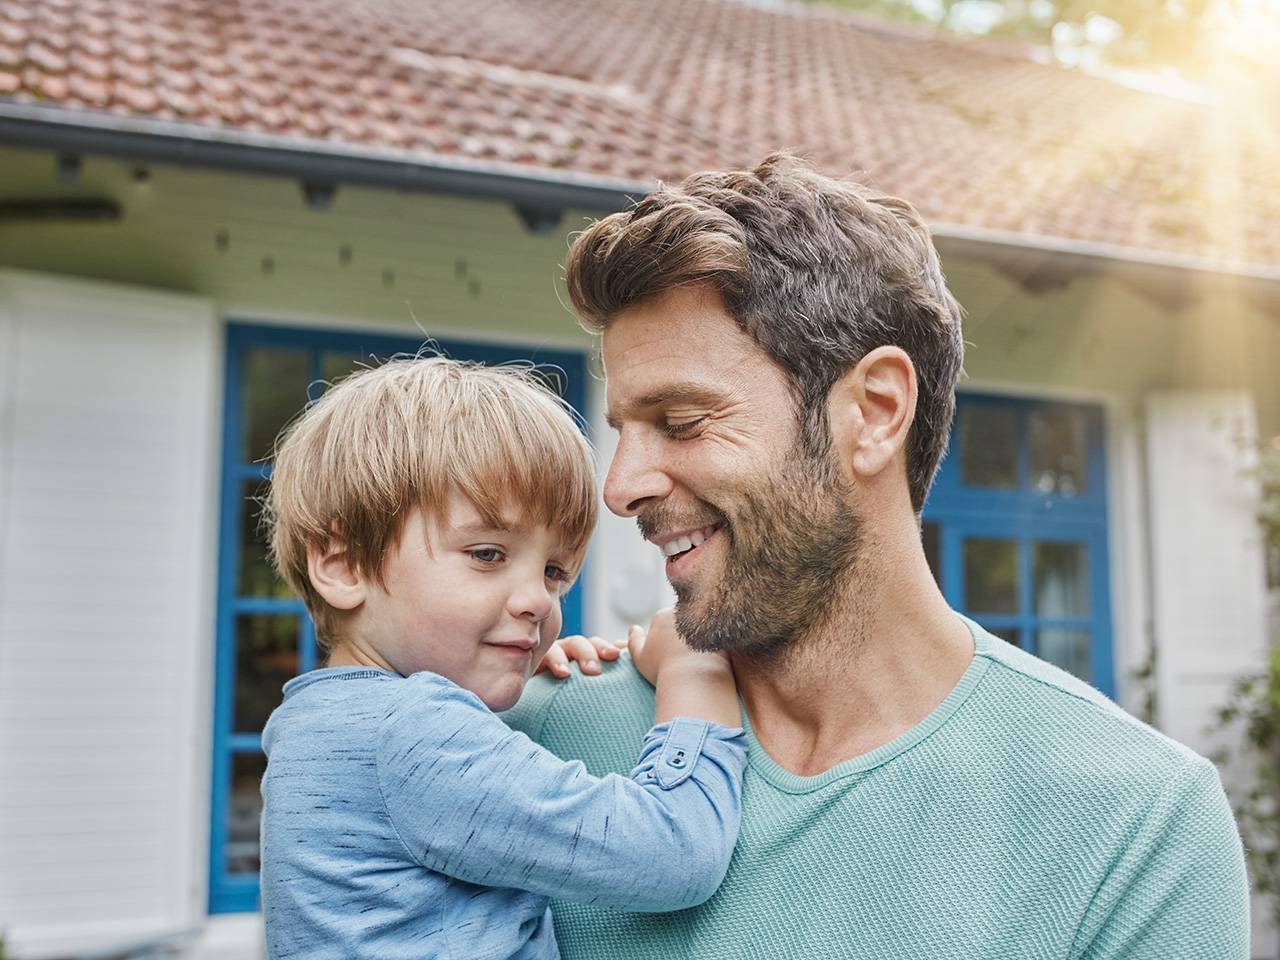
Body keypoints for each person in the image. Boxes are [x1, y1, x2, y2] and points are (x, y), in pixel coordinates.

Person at [503, 154, 1250, 959]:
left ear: (874, 411)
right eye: (622, 430)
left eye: (681, 421)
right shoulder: (532, 745)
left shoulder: (1136, 823)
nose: (620, 487)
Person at [257, 357, 747, 959]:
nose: (537, 600)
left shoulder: (316, 725)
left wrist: (501, 676)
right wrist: (692, 675)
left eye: (554, 572)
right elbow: (673, 854)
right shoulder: (412, 734)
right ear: (342, 564)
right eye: (488, 554)